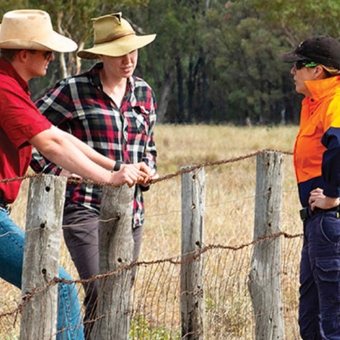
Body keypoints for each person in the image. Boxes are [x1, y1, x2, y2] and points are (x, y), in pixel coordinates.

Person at [0, 9, 151, 340]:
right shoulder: (4, 87)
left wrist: (113, 168)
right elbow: (51, 144)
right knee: (63, 288)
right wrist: (107, 177)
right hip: (60, 208)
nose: (51, 57)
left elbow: (60, 136)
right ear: (23, 54)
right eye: (45, 51)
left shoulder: (14, 87)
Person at [281, 36, 340, 339]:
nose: (293, 71)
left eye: (298, 65)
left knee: (332, 324)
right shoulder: (315, 103)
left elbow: (339, 145)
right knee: (313, 321)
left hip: (331, 222)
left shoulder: (336, 100)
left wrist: (333, 195)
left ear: (317, 70)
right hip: (318, 224)